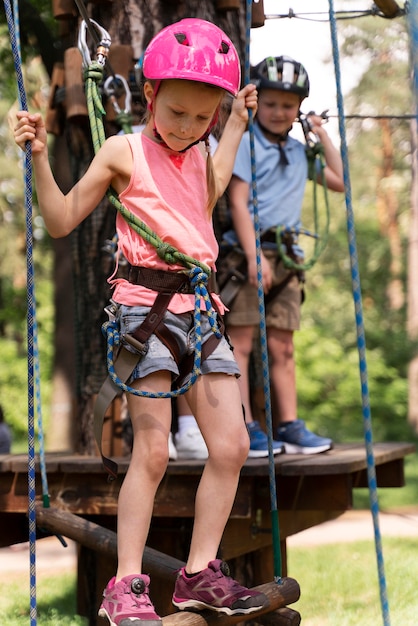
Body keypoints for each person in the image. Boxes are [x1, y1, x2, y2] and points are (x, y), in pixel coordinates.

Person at [14, 18, 269, 626]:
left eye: (201, 118)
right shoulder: (123, 150)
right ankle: (125, 585)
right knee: (152, 450)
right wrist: (40, 156)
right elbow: (59, 219)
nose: (186, 127)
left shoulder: (204, 146)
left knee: (232, 446)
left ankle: (198, 574)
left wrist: (231, 126)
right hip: (143, 309)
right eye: (177, 112)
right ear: (151, 96)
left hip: (201, 309)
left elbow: (202, 203)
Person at [220, 55, 345, 457]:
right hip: (248, 253)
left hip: (288, 257)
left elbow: (340, 182)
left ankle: (289, 424)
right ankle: (246, 425)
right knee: (240, 341)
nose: (278, 112)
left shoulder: (299, 151)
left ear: (299, 109)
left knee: (282, 345)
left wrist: (320, 134)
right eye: (271, 103)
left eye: (288, 106)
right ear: (259, 103)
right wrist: (255, 257)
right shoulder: (245, 144)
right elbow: (238, 202)